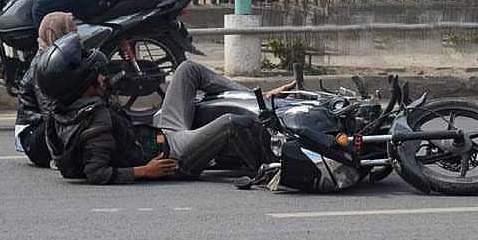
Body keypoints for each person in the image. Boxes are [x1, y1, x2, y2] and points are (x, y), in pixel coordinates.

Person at [36, 33, 292, 184]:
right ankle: (275, 172)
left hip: (158, 135)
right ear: (84, 86)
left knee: (188, 70)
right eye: (98, 76)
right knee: (232, 123)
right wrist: (145, 172)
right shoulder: (97, 121)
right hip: (173, 157)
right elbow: (96, 172)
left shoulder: (64, 110)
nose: (103, 77)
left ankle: (255, 96)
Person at [14, 11, 76, 168]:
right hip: (34, 136)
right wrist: (58, 156)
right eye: (71, 30)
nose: (76, 35)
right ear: (58, 32)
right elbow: (49, 111)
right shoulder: (43, 65)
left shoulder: (64, 59)